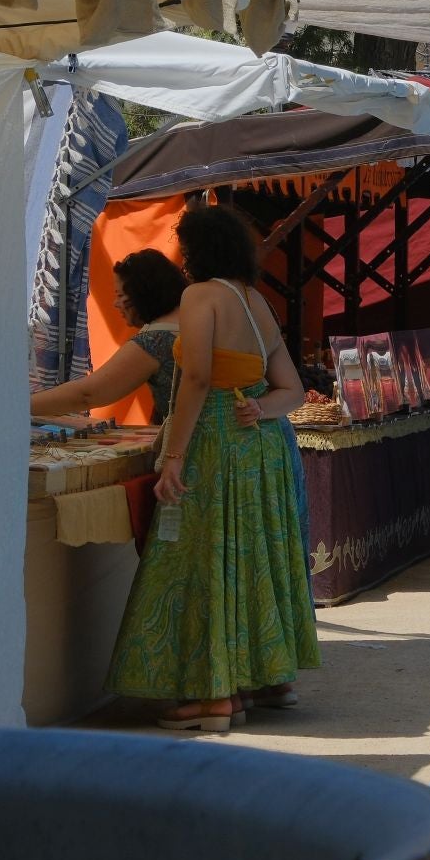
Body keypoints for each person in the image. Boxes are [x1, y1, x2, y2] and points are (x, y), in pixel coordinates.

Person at [107, 204, 321, 732]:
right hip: (259, 449)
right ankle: (269, 678)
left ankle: (212, 698)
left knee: (203, 561)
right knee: (253, 558)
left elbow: (198, 379)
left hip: (214, 445)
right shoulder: (256, 303)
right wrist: (259, 407)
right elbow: (290, 389)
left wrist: (173, 455)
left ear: (195, 251)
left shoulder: (200, 296)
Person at [30, 250, 187, 421]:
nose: (115, 303)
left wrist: (19, 406)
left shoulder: (156, 340)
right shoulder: (192, 318)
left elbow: (86, 395)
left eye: (120, 295)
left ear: (142, 293)